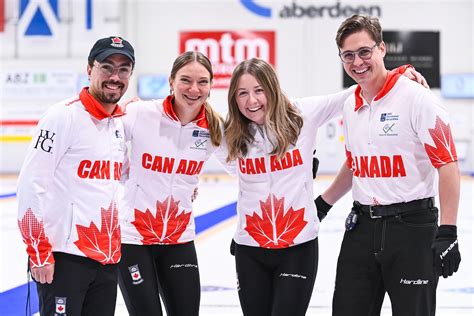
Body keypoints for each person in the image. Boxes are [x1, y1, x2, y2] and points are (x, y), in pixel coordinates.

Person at [224, 57, 427, 316]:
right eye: (242, 93)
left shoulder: (301, 114)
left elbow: (354, 91)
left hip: (298, 245)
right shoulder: (230, 135)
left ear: (272, 89)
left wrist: (397, 74)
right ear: (234, 98)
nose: (251, 101)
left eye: (259, 90)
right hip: (249, 248)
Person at [315, 15, 461, 316]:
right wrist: (323, 203)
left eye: (364, 52)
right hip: (362, 228)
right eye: (348, 55)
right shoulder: (350, 104)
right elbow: (356, 162)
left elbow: (447, 165)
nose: (358, 62)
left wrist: (448, 230)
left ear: (381, 48)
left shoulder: (417, 99)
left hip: (412, 228)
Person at [16, 36, 135, 315]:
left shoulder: (118, 124)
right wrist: (38, 250)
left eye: (123, 69)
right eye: (107, 66)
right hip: (64, 258)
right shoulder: (62, 117)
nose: (115, 77)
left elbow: (128, 174)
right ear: (89, 69)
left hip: (106, 259)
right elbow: (31, 184)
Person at [117, 51, 231, 316]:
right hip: (134, 238)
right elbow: (106, 146)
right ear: (171, 81)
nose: (194, 89)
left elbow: (244, 165)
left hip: (179, 238)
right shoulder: (140, 113)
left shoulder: (216, 129)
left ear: (211, 86)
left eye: (203, 82)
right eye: (186, 80)